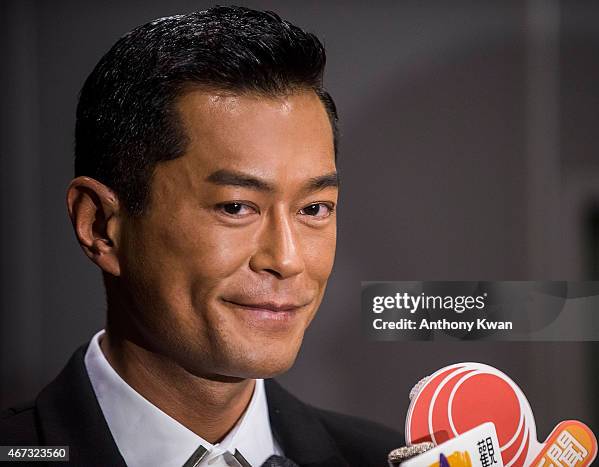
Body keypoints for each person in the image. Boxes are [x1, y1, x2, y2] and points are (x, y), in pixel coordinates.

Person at [0, 6, 402, 466]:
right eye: (236, 207)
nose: (288, 260)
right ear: (100, 227)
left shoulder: (378, 458)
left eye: (313, 209)